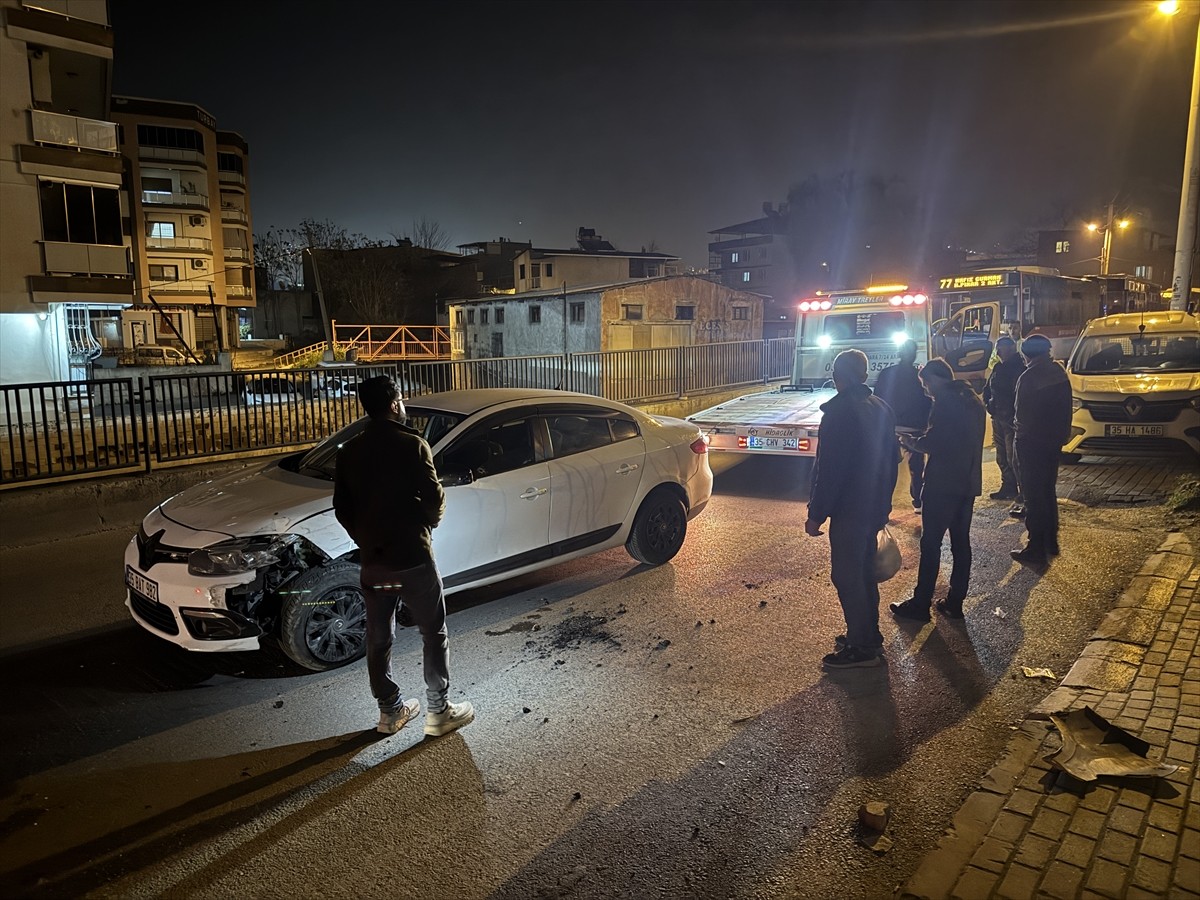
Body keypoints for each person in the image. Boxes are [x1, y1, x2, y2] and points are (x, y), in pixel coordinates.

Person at [333, 375, 475, 736]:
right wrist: (426, 524)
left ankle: (389, 711)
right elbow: (434, 498)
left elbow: (342, 509)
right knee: (433, 632)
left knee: (378, 637)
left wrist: (365, 537)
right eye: (402, 400)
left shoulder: (349, 452)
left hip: (375, 563)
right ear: (395, 404)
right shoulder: (413, 445)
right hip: (413, 557)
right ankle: (439, 712)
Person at [806, 349, 900, 668]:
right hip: (873, 507)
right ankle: (867, 635)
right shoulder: (881, 407)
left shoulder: (839, 413)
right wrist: (883, 505)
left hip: (850, 510)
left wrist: (816, 513)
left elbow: (830, 470)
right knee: (863, 573)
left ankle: (862, 647)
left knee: (847, 576)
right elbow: (892, 462)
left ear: (837, 376)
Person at [889, 358, 986, 622]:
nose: (925, 390)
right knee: (960, 543)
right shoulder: (971, 398)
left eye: (926, 384)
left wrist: (910, 441)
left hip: (943, 484)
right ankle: (955, 601)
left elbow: (937, 441)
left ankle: (921, 604)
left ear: (935, 379)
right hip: (966, 483)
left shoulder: (946, 401)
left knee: (931, 543)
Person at [1010, 334, 1073, 566]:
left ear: (1026, 354)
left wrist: (1019, 438)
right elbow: (1067, 409)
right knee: (1047, 492)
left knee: (1033, 496)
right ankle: (1051, 542)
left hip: (1031, 444)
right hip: (1052, 443)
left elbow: (1021, 416)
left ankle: (1035, 547)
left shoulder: (1029, 376)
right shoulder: (1058, 373)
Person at [873, 339, 932, 509]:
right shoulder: (920, 376)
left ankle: (883, 505)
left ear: (899, 353)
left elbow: (878, 399)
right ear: (913, 354)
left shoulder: (886, 374)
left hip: (890, 428)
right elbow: (927, 401)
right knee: (916, 468)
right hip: (915, 428)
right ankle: (917, 501)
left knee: (887, 468)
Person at [981, 336, 1026, 505]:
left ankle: (1023, 490)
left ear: (1011, 349)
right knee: (1002, 456)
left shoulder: (1018, 368)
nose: (998, 351)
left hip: (1010, 419)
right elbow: (988, 389)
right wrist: (988, 404)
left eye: (1001, 348)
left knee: (1013, 456)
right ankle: (1008, 486)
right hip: (998, 417)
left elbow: (1017, 395)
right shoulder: (998, 367)